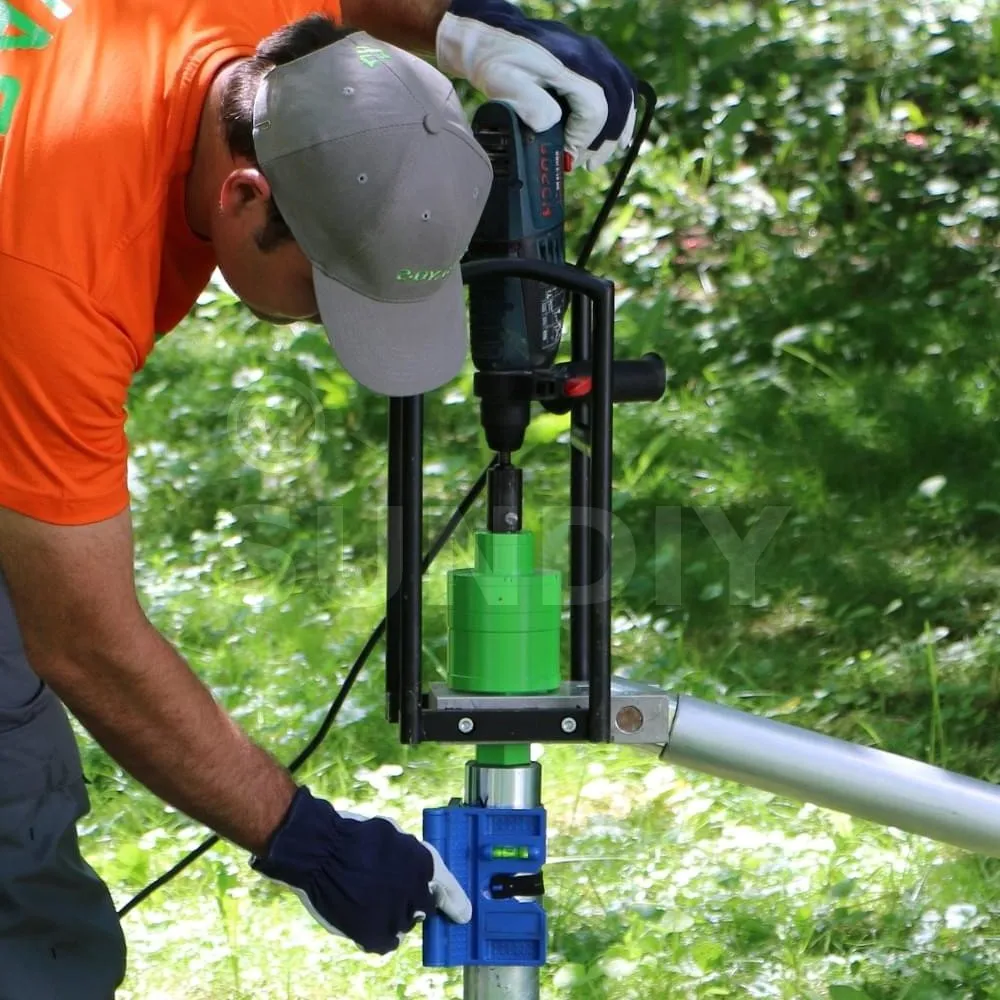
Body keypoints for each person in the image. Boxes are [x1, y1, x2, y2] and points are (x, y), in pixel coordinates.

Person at [0, 0, 638, 995]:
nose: (331, 324)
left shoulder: (274, 50)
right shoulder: (53, 284)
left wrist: (462, 27)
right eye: (332, 290)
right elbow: (83, 641)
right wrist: (305, 837)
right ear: (246, 194)